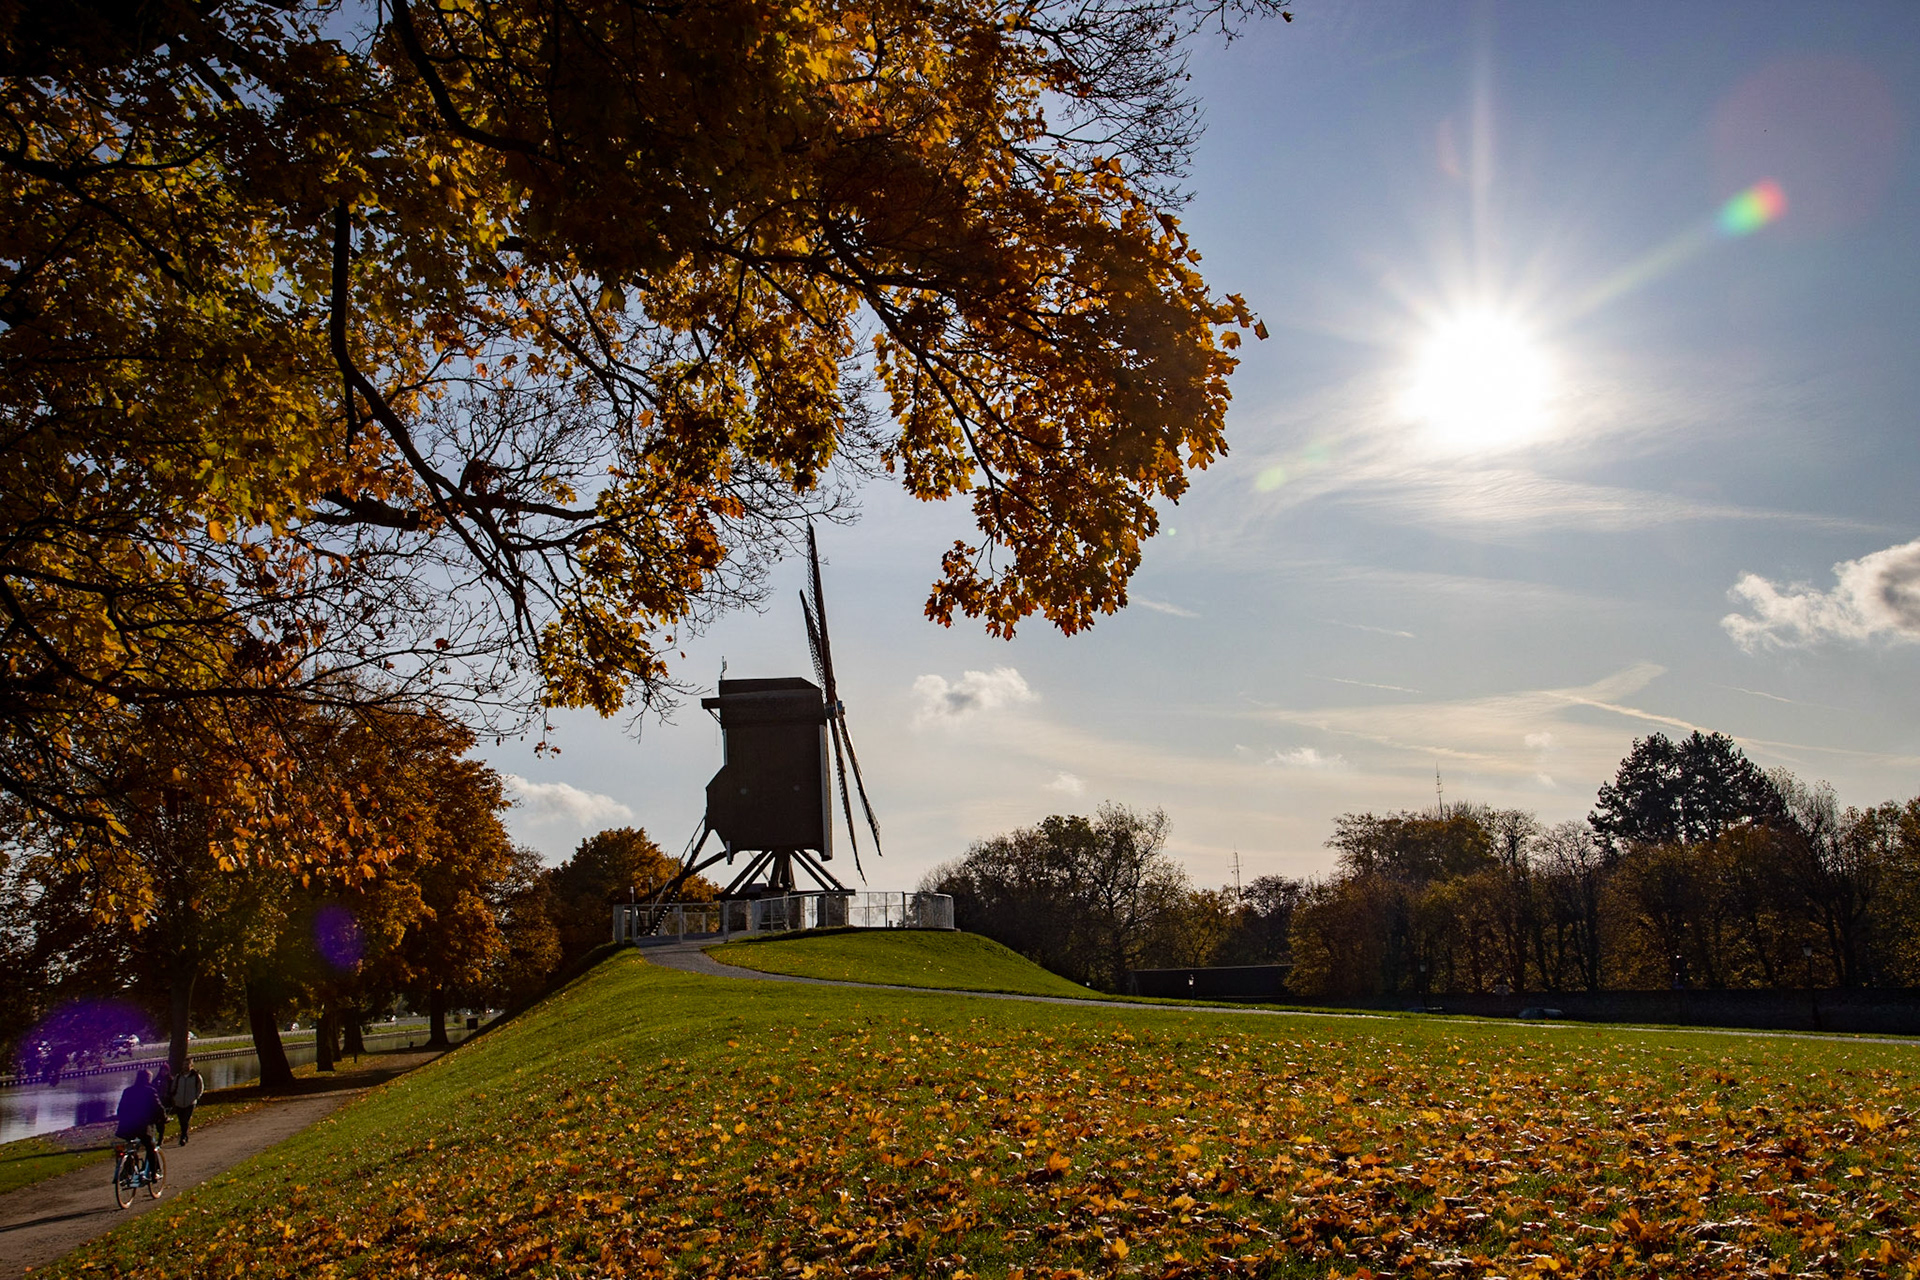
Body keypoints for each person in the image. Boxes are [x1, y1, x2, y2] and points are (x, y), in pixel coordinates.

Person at [114, 1069, 165, 1177]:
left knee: (131, 1147)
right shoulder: (150, 1091)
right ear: (148, 1079)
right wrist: (164, 1118)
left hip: (127, 1126)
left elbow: (120, 1109)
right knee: (150, 1146)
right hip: (142, 1127)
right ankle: (154, 1172)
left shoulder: (127, 1091)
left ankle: (129, 1168)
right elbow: (159, 1108)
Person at [171, 1058, 205, 1145]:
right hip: (179, 1102)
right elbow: (173, 1087)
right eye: (184, 1064)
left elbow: (200, 1088)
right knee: (181, 1121)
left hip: (190, 1102)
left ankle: (182, 1137)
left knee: (186, 1120)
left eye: (187, 1064)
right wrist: (175, 1097)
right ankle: (185, 1135)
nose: (185, 1066)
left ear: (191, 1065)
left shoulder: (196, 1076)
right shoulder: (178, 1077)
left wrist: (196, 1097)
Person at [153, 1063, 173, 1144]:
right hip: (158, 1102)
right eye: (162, 1070)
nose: (164, 1072)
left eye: (165, 1071)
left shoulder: (170, 1080)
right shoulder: (156, 1080)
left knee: (161, 1120)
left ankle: (161, 1137)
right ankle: (158, 1135)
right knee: (158, 1120)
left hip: (166, 1102)